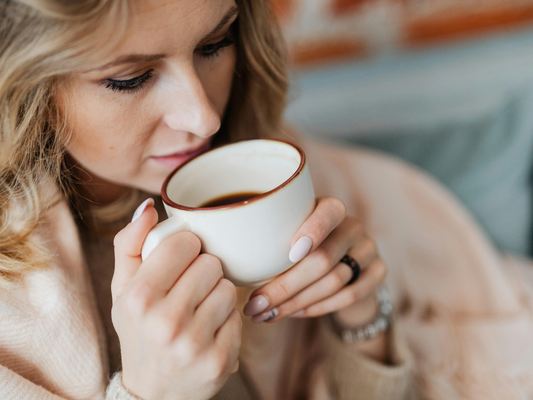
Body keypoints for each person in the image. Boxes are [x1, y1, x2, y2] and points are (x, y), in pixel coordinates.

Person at [0, 1, 532, 399]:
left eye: (214, 44)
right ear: (23, 85)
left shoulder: (277, 169)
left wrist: (363, 322)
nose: (204, 117)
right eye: (130, 78)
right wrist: (149, 392)